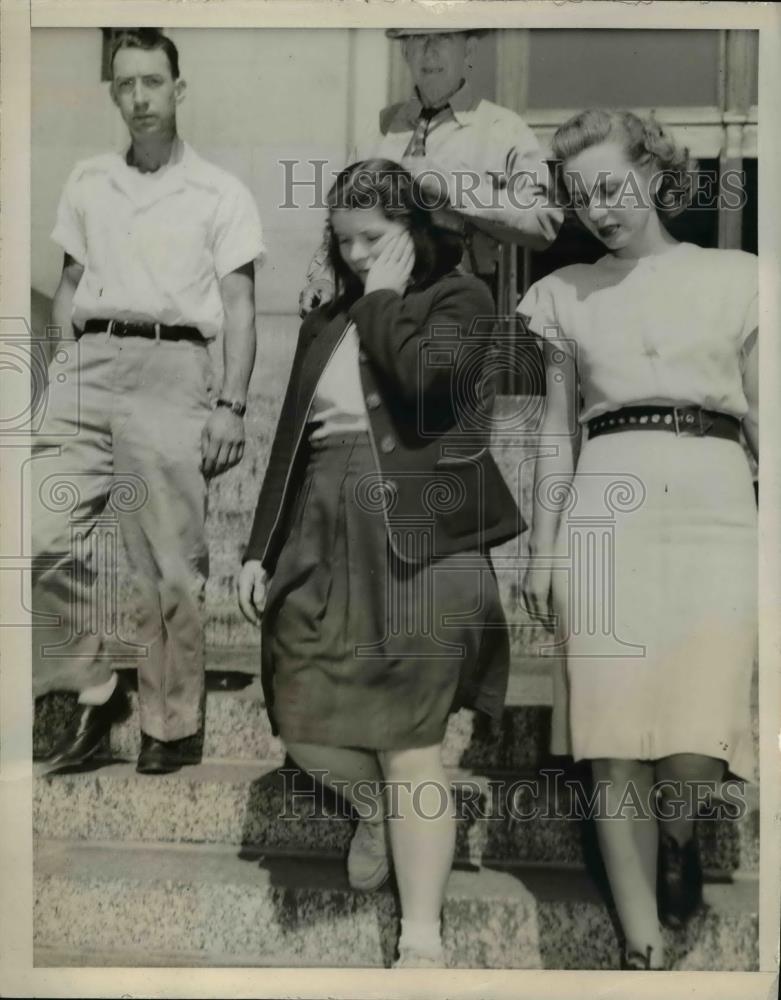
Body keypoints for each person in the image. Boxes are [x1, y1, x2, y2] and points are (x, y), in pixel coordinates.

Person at [239, 159, 523, 968]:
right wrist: (258, 551)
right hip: (322, 529)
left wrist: (384, 302)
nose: (359, 254)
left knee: (411, 746)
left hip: (421, 539)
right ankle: (376, 808)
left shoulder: (461, 301)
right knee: (299, 718)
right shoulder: (324, 321)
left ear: (413, 231)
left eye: (375, 238)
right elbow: (290, 443)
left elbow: (427, 390)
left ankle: (422, 942)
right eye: (346, 241)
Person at [519, 110, 758, 970]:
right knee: (612, 736)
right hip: (604, 506)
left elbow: (765, 417)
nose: (598, 208)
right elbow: (553, 433)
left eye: (612, 186)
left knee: (699, 737)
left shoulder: (741, 277)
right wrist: (544, 552)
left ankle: (680, 831)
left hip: (715, 500)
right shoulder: (560, 295)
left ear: (655, 176)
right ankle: (641, 947)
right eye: (580, 195)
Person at [33, 28, 265, 775]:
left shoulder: (219, 191)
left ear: (178, 88)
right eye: (125, 84)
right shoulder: (88, 179)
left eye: (152, 83)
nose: (139, 98)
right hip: (88, 363)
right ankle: (94, 688)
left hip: (175, 366)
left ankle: (173, 721)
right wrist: (60, 374)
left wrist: (231, 403)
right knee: (37, 530)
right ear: (113, 92)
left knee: (167, 563)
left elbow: (240, 305)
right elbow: (68, 285)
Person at [299, 28, 562, 317]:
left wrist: (452, 190)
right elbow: (343, 221)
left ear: (470, 50)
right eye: (418, 39)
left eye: (444, 37)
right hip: (373, 308)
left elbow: (544, 221)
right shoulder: (379, 129)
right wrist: (324, 278)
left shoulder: (504, 129)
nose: (430, 50)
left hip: (458, 311)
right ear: (404, 51)